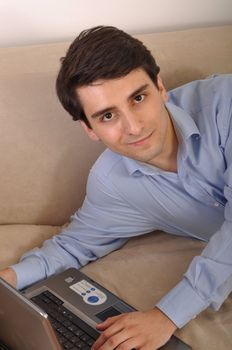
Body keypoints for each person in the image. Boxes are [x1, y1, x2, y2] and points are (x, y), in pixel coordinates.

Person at [0, 25, 232, 350]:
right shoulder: (112, 182)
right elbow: (74, 246)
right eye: (108, 115)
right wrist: (5, 282)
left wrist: (167, 315)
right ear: (90, 129)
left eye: (138, 98)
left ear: (161, 87)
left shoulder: (227, 105)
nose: (134, 127)